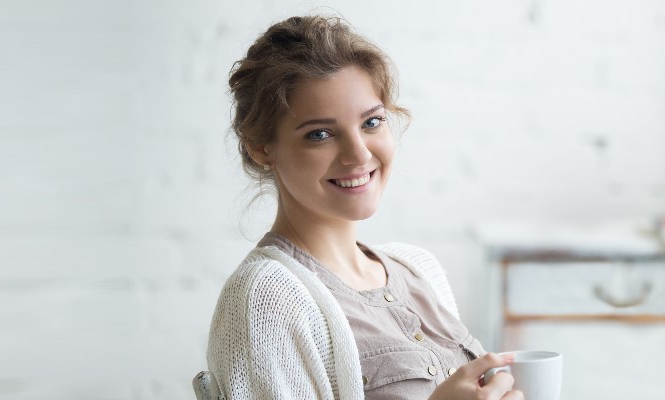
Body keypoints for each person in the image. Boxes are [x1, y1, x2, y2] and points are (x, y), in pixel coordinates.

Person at [206, 14, 523, 400]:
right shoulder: (267, 297)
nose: (359, 154)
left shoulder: (418, 269)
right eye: (319, 134)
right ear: (261, 148)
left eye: (372, 123)